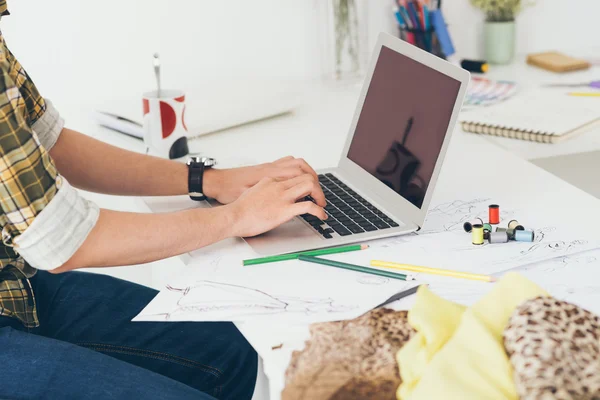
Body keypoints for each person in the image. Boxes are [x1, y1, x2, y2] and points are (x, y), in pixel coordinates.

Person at [0, 2, 327, 399]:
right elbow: (67, 243)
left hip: (13, 286)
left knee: (233, 351)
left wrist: (208, 180)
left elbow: (50, 143)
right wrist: (238, 217)